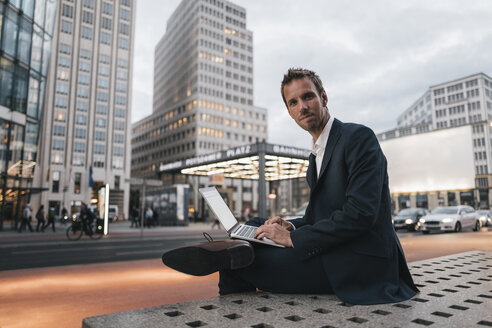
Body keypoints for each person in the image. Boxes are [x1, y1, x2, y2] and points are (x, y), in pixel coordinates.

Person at [162, 68, 418, 305]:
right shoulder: (316, 153)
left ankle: (228, 256)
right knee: (256, 226)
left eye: (308, 97)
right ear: (288, 111)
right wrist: (289, 226)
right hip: (335, 250)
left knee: (237, 263)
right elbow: (319, 217)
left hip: (360, 263)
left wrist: (292, 238)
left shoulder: (357, 138)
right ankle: (237, 242)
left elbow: (361, 214)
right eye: (293, 102)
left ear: (324, 97)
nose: (302, 107)